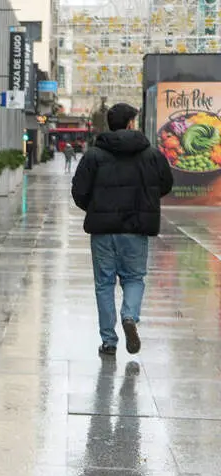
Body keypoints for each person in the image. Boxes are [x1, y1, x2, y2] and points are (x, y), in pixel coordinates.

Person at [71, 102, 173, 357]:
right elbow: (165, 184)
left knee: (104, 284)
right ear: (130, 124)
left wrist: (95, 208)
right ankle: (130, 316)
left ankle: (109, 342)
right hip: (136, 229)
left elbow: (79, 190)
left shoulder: (94, 154)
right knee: (134, 278)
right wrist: (145, 201)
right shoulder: (151, 154)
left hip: (103, 231)